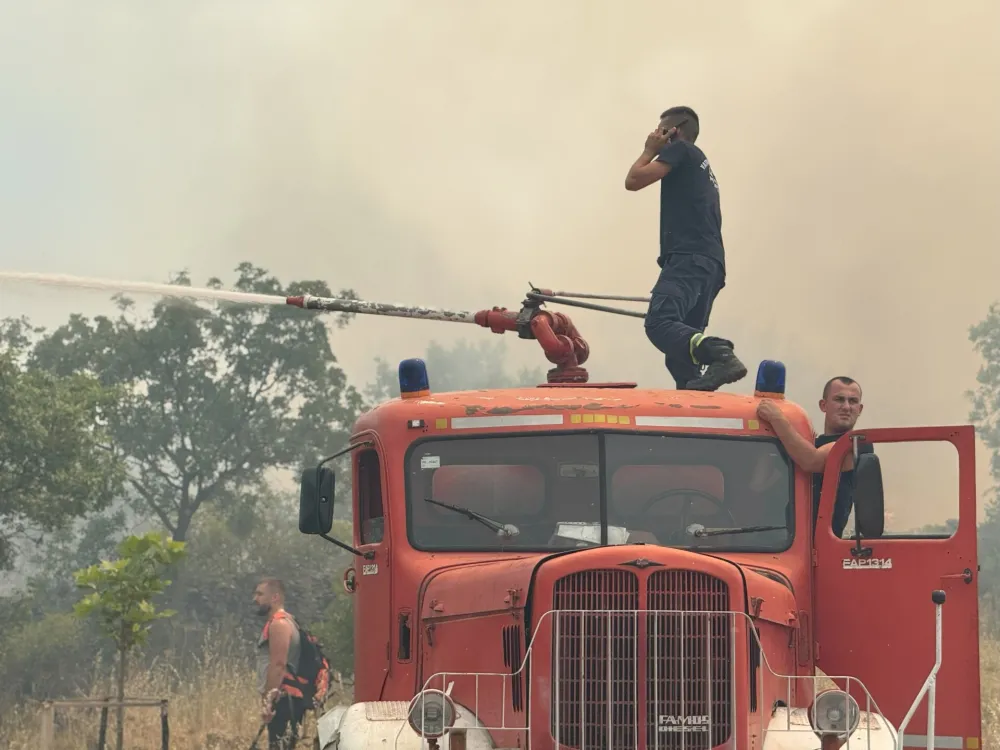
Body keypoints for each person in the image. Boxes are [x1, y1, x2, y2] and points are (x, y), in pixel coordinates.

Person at [625, 105, 747, 391]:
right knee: (679, 355)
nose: (656, 134)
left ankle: (720, 353)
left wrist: (648, 150)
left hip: (689, 258)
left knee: (659, 323)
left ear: (675, 130)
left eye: (661, 130)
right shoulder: (700, 165)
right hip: (710, 265)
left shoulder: (682, 150)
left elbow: (633, 180)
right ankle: (696, 397)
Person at [756, 376, 871, 537]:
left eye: (852, 401)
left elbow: (811, 461)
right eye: (839, 399)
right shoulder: (807, 446)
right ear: (823, 405)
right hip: (782, 540)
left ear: (860, 409)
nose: (846, 407)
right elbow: (759, 485)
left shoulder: (858, 444)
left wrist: (776, 418)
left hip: (821, 546)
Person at [254, 577, 306, 749]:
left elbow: (278, 665)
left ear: (275, 597)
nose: (256, 599)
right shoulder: (288, 621)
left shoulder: (279, 624)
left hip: (283, 699)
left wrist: (268, 702)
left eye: (260, 594)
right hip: (286, 698)